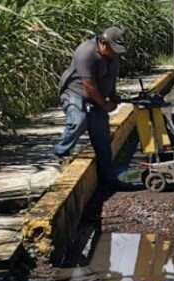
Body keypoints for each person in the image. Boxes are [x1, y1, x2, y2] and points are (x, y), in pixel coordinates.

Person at [54, 27, 128, 191]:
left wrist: (113, 95)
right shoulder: (85, 52)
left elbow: (111, 79)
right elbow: (89, 85)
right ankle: (61, 153)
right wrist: (104, 104)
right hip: (74, 93)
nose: (114, 54)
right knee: (79, 120)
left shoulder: (113, 56)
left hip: (97, 98)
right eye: (112, 49)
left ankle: (108, 179)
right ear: (102, 42)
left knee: (102, 139)